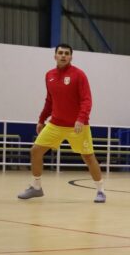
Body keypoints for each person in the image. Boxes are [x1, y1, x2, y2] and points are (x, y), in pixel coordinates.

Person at [18, 43, 106, 203]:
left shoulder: (79, 75)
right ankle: (36, 187)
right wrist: (41, 119)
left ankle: (100, 191)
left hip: (78, 126)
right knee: (35, 151)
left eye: (66, 53)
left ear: (71, 57)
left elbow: (87, 100)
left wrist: (81, 118)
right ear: (55, 56)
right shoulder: (49, 75)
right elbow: (49, 100)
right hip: (55, 124)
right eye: (60, 53)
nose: (63, 55)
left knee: (88, 157)